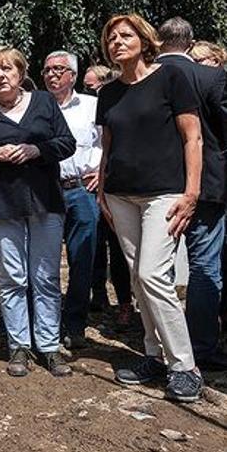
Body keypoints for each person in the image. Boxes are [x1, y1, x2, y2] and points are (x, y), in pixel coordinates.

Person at [95, 13, 204, 403]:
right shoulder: (108, 93)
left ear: (144, 39)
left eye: (125, 35)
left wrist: (191, 193)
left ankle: (185, 366)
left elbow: (193, 138)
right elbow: (107, 145)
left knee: (153, 275)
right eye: (111, 38)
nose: (117, 43)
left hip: (164, 195)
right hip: (121, 196)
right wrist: (102, 191)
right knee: (139, 281)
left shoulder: (171, 79)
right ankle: (154, 354)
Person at [0, 46, 76, 378]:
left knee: (46, 278)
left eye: (8, 69)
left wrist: (35, 150)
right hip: (0, 205)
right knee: (12, 278)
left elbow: (66, 143)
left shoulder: (43, 103)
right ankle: (18, 346)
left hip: (44, 202)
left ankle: (50, 346)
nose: (1, 75)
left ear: (21, 73)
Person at [156, 17, 227, 371]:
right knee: (204, 267)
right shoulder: (211, 77)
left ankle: (162, 342)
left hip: (155, 187)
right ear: (190, 42)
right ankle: (200, 345)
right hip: (208, 188)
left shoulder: (142, 77)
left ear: (157, 40)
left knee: (156, 269)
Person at [42, 51, 102, 350]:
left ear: (73, 75)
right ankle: (47, 323)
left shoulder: (92, 106)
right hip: (46, 191)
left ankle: (75, 323)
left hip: (81, 191)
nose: (52, 74)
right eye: (48, 70)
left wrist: (102, 170)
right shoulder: (36, 106)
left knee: (83, 259)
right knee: (45, 261)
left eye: (59, 69)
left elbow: (107, 140)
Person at [83, 64, 134, 325]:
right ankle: (99, 294)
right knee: (94, 247)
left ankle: (125, 303)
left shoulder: (118, 104)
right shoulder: (94, 106)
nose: (89, 91)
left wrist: (100, 174)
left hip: (116, 185)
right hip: (95, 186)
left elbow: (112, 145)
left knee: (119, 249)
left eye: (92, 86)